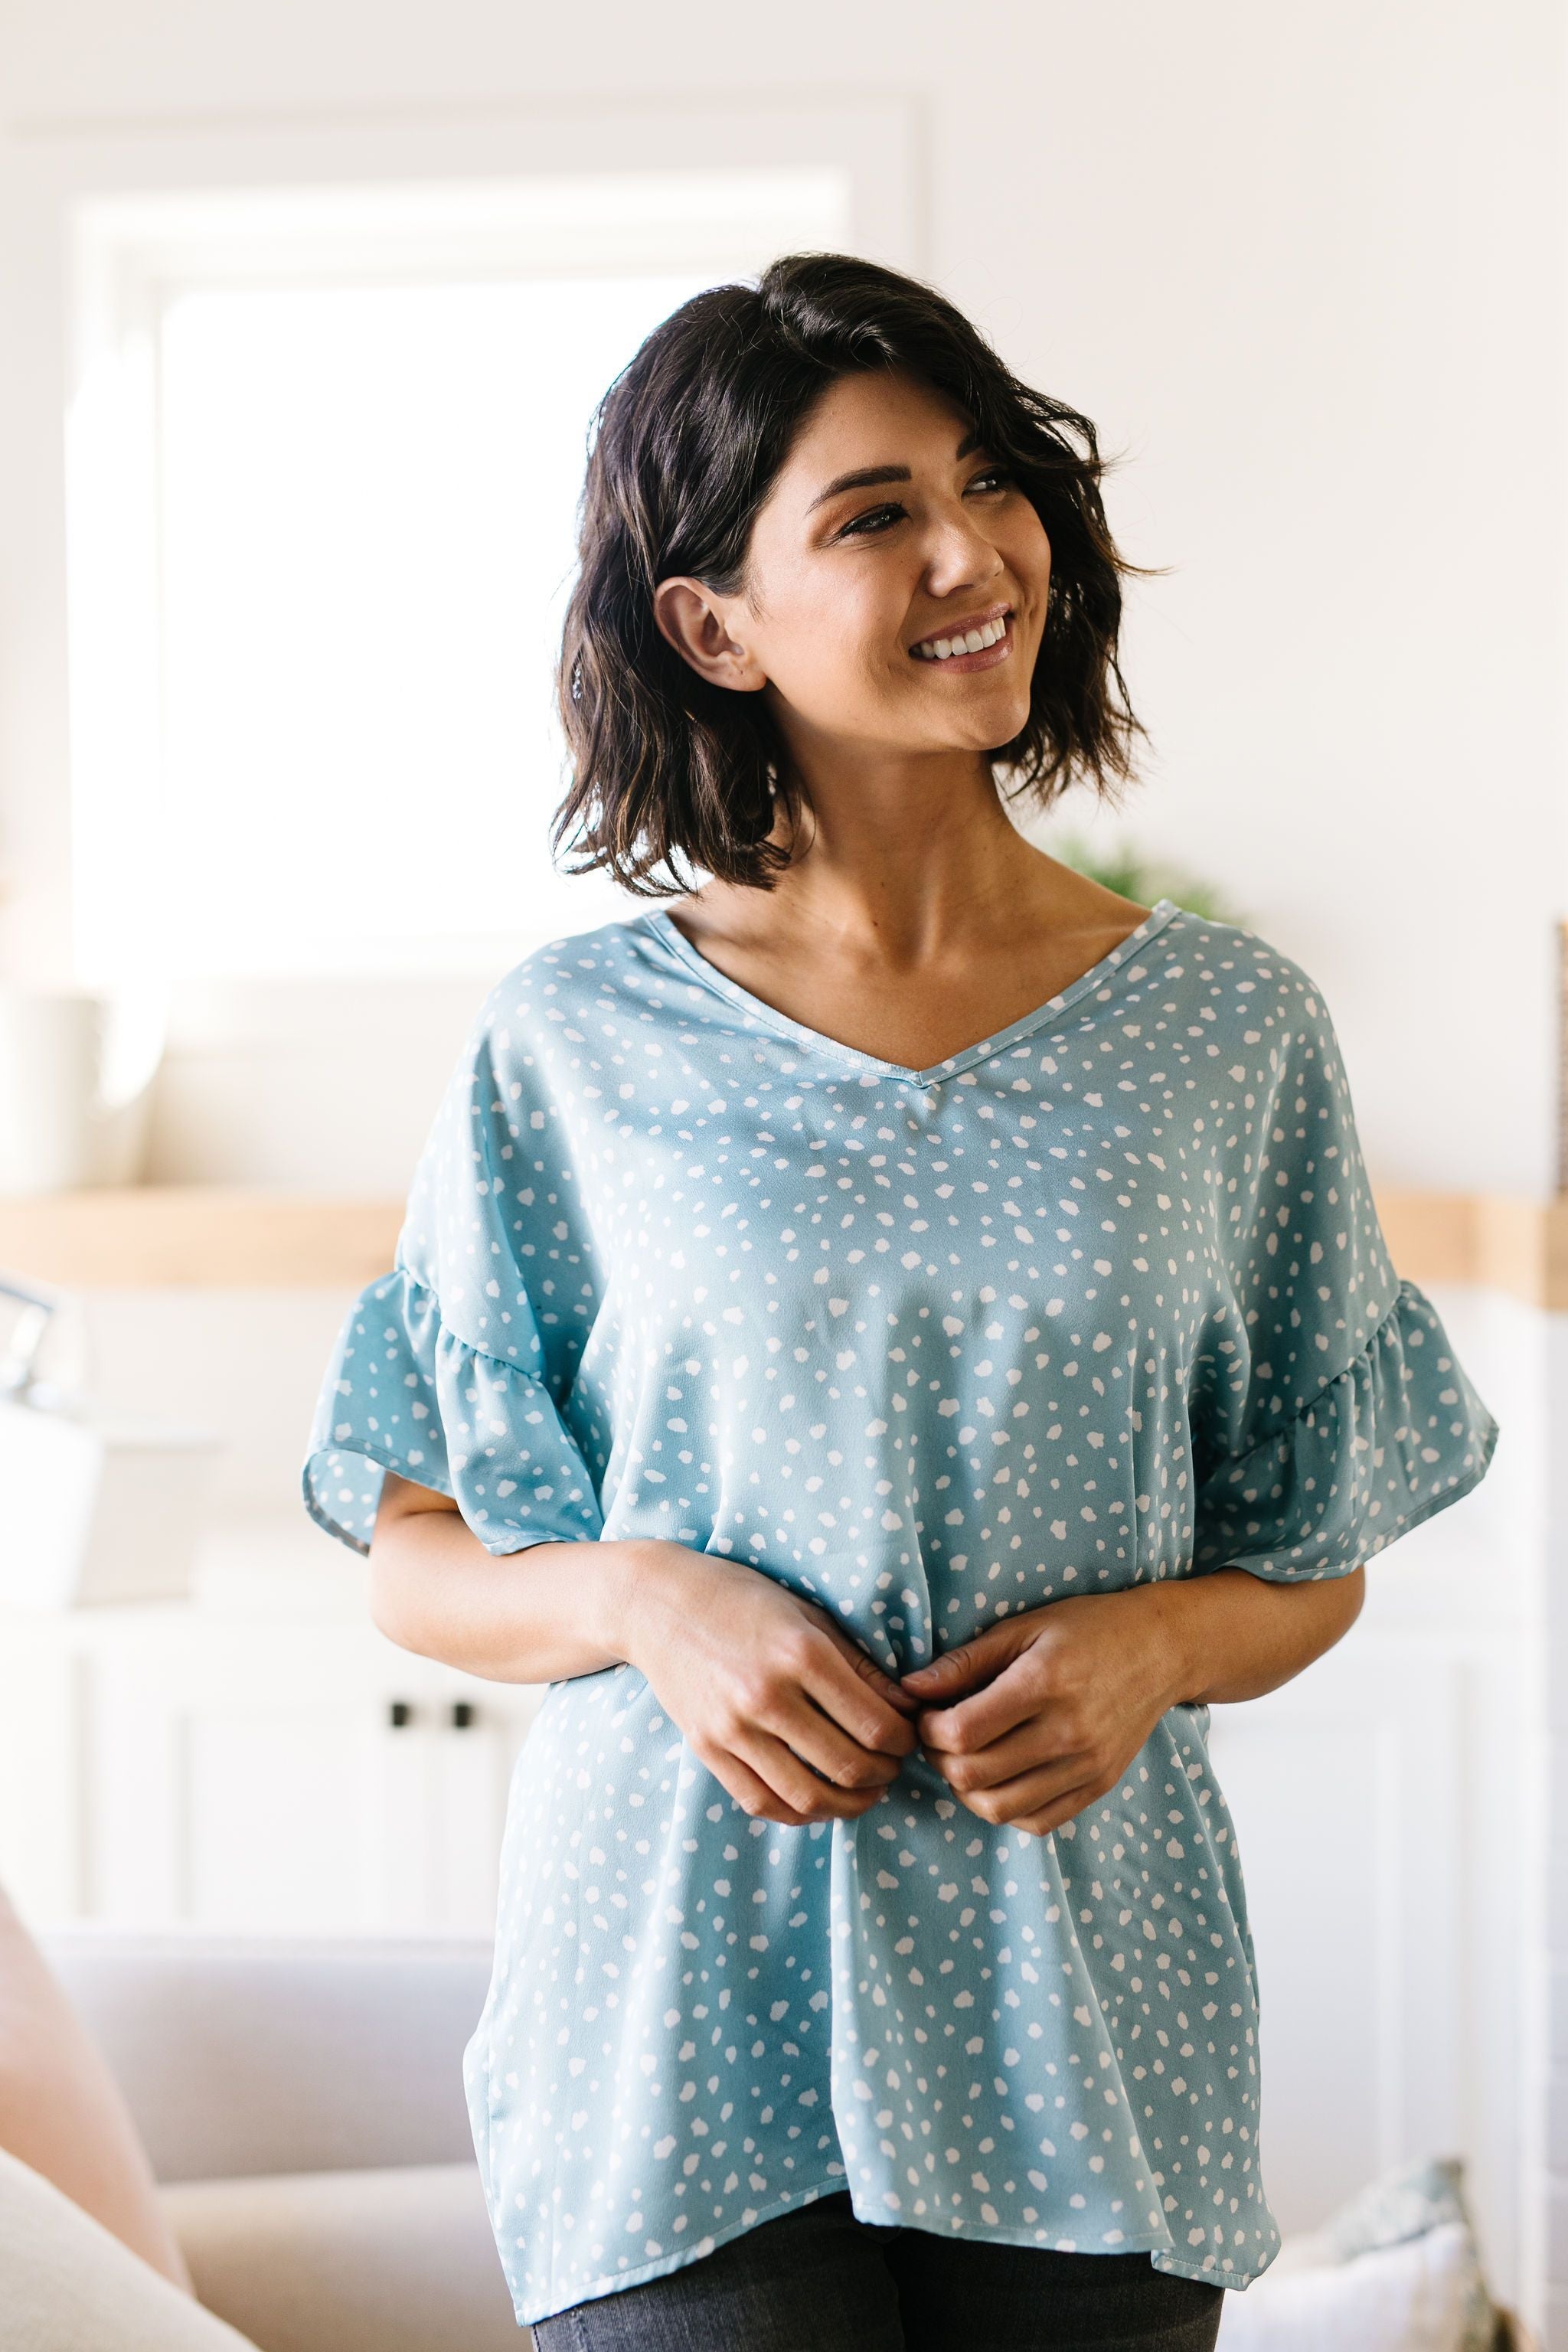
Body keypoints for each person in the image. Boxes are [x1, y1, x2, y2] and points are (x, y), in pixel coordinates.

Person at [302, 252, 1499, 2352]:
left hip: (1088, 2038)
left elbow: (1315, 1556)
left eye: (994, 483)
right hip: (678, 2039)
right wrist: (640, 1599)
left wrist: (1154, 1646)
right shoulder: (574, 1046)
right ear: (712, 623)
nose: (976, 553)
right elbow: (415, 1552)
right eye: (873, 516)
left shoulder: (1224, 1035)